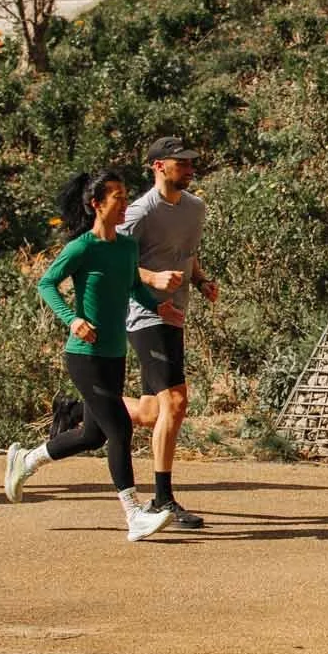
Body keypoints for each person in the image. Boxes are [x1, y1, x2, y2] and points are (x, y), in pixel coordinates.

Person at [3, 171, 188, 541]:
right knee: (119, 428)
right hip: (84, 355)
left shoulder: (126, 247)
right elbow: (46, 283)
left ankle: (27, 460)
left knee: (92, 435)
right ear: (96, 205)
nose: (123, 203)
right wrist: (72, 321)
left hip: (113, 353)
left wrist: (159, 307)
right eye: (116, 197)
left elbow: (134, 287)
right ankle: (134, 515)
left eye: (125, 196)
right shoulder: (81, 248)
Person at [118, 136, 220, 529]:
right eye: (182, 163)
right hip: (144, 313)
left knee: (150, 411)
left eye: (192, 162)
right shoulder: (139, 213)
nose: (190, 168)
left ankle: (83, 410)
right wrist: (151, 277)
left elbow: (186, 254)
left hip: (175, 313)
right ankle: (163, 500)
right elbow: (116, 262)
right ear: (158, 166)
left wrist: (201, 279)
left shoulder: (195, 208)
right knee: (176, 401)